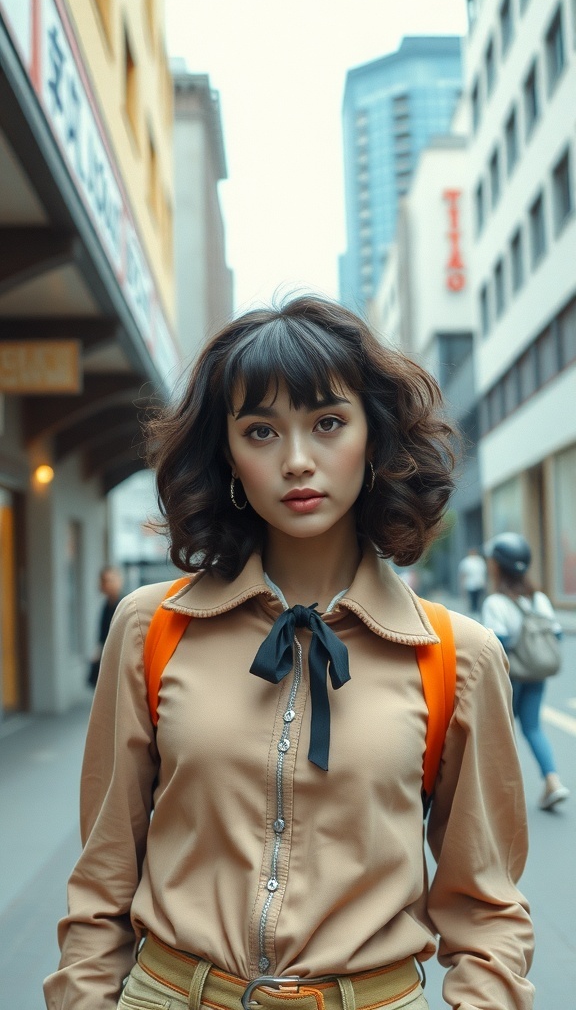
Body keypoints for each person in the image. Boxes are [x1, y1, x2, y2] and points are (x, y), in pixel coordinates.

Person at [45, 296, 534, 1010]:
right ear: (229, 456)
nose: (298, 460)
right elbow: (102, 882)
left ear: (375, 437)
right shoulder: (151, 629)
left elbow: (486, 909)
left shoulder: (456, 656)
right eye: (261, 431)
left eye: (328, 423)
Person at [482, 532, 569, 812]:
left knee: (501, 732)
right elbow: (556, 635)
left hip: (511, 676)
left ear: (497, 565)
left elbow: (498, 644)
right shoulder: (539, 598)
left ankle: (502, 795)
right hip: (537, 673)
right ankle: (553, 781)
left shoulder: (495, 603)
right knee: (532, 727)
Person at [87, 566, 123, 688]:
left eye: (110, 580)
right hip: (109, 656)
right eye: (104, 581)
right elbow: (103, 634)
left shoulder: (124, 603)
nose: (107, 584)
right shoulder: (106, 606)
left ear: (119, 581)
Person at [457, 547, 487, 614]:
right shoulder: (466, 561)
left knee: (478, 599)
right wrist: (462, 585)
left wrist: (484, 583)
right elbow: (463, 574)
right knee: (472, 599)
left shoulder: (479, 561)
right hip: (470, 584)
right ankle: (473, 612)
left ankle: (477, 611)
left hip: (479, 583)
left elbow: (483, 573)